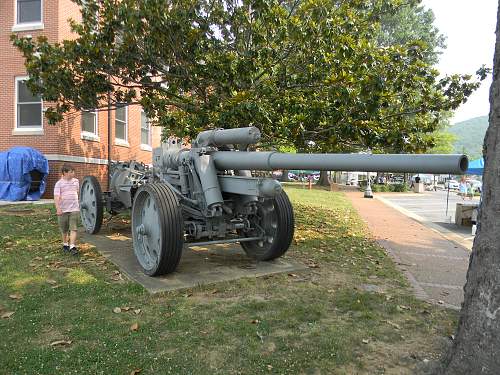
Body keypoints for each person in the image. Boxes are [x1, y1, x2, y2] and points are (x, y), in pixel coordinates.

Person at [54, 164, 80, 255]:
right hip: (63, 210)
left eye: (73, 171)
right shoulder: (59, 184)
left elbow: (76, 192)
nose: (73, 173)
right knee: (64, 229)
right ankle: (65, 243)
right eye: (71, 172)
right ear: (65, 173)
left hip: (74, 209)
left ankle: (72, 246)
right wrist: (58, 208)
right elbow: (56, 197)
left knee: (74, 228)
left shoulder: (76, 181)